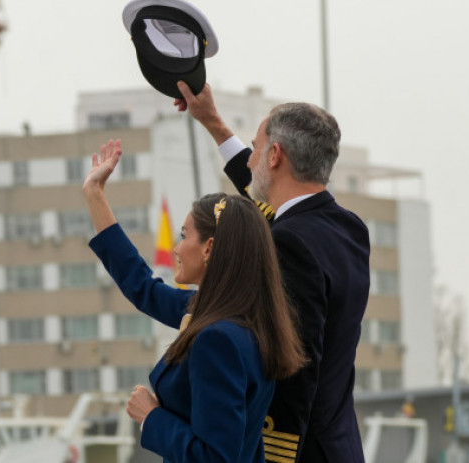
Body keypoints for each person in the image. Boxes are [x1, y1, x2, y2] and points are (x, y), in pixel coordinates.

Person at [174, 82, 371, 463]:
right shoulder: (348, 228)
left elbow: (294, 366)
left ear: (276, 155)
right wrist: (213, 123)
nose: (250, 160)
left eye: (257, 149)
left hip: (299, 453)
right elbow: (262, 205)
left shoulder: (289, 244)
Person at [82, 139, 305, 463]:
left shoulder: (218, 338)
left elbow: (215, 458)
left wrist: (151, 417)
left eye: (184, 235)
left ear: (209, 248)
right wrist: (94, 194)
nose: (175, 248)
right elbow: (143, 287)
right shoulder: (240, 319)